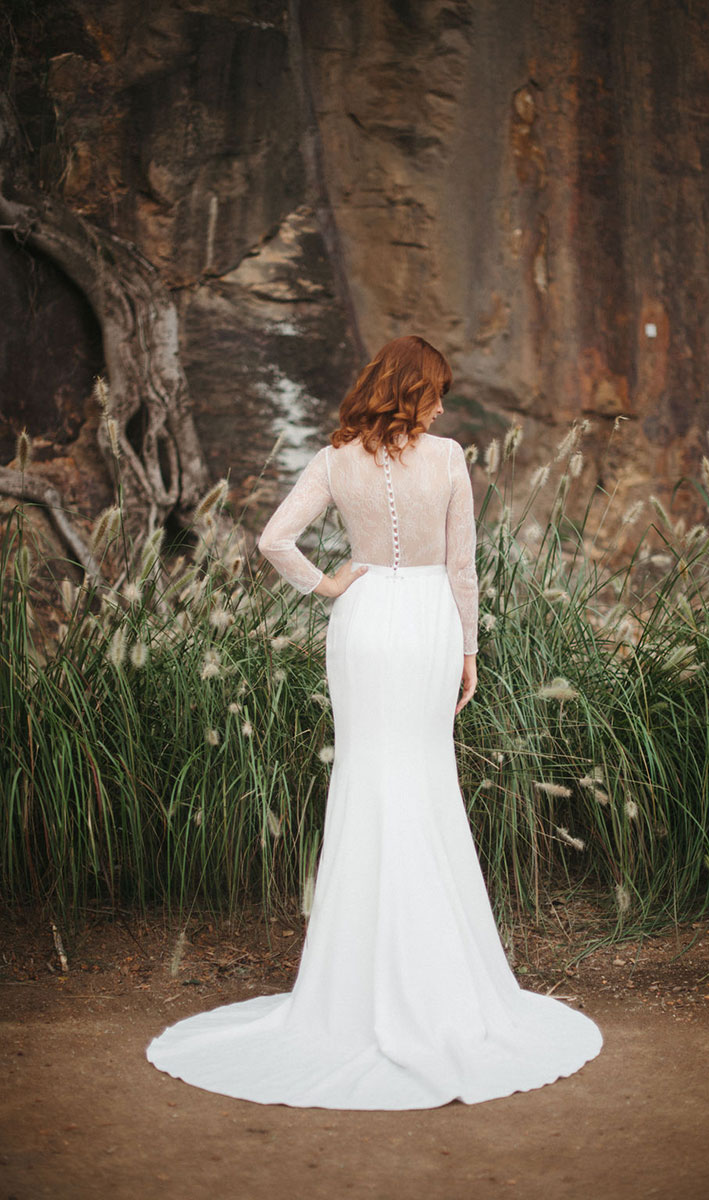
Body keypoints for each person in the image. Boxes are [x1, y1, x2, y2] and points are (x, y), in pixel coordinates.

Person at [146, 335, 602, 1109]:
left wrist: (328, 585)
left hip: (360, 623)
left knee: (364, 783)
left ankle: (348, 992)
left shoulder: (333, 460)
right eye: (437, 391)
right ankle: (439, 982)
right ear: (416, 390)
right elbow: (463, 566)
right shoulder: (450, 456)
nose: (443, 405)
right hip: (426, 622)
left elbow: (271, 539)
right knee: (424, 782)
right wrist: (470, 651)